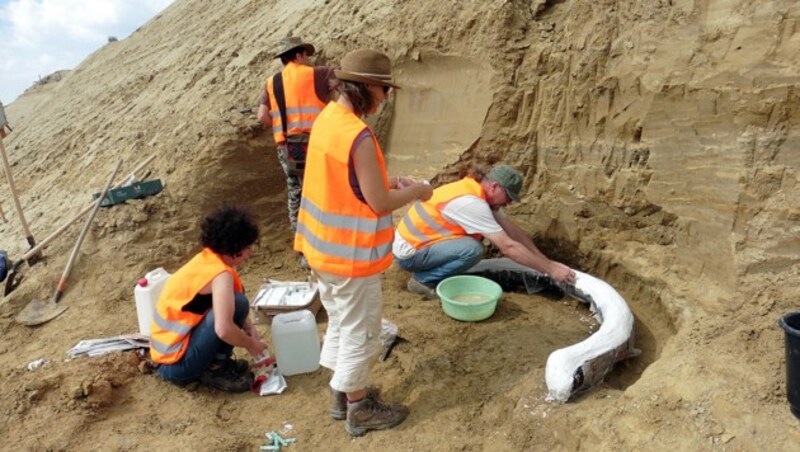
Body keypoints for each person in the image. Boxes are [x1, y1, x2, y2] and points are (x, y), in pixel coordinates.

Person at [294, 49, 433, 436]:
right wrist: (418, 191)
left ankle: (341, 394)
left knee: (340, 320)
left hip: (322, 251)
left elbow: (348, 182)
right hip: (351, 257)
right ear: (366, 87)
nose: (385, 98)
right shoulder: (359, 135)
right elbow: (379, 203)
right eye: (383, 90)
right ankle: (359, 409)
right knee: (362, 330)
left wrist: (389, 181)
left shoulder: (328, 120)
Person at [393, 164, 576, 298]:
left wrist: (546, 262)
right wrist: (551, 270)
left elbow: (513, 232)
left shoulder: (478, 192)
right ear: (495, 187)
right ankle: (422, 281)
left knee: (470, 247)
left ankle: (429, 272)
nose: (509, 203)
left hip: (417, 244)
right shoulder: (472, 204)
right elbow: (508, 247)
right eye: (508, 197)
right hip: (410, 253)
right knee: (473, 250)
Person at [150, 206, 268, 393]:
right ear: (235, 247)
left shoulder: (207, 261)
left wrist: (250, 328)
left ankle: (214, 363)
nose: (250, 252)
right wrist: (252, 345)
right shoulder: (220, 275)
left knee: (236, 303)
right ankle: (214, 369)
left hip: (167, 356)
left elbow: (224, 307)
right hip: (176, 366)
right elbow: (224, 329)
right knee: (239, 303)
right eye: (248, 247)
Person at [257, 36, 337, 236]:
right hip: (315, 144)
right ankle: (327, 233)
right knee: (325, 188)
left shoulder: (271, 83)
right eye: (306, 55)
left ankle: (300, 240)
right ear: (299, 55)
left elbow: (262, 116)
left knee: (296, 193)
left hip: (287, 147)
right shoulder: (317, 74)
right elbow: (343, 84)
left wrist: (282, 126)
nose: (309, 59)